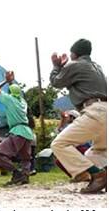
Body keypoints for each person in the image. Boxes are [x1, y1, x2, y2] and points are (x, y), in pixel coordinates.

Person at [50, 38, 107, 194]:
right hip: (106, 111)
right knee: (97, 152)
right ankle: (101, 173)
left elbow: (56, 82)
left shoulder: (75, 65)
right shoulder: (98, 67)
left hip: (94, 111)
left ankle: (99, 175)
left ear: (73, 54)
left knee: (59, 144)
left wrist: (57, 66)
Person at [0, 71, 34, 185]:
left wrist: (6, 80)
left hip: (17, 131)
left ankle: (16, 173)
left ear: (10, 93)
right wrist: (12, 82)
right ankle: (25, 176)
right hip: (28, 133)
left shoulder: (9, 99)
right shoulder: (23, 102)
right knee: (25, 158)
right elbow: (16, 91)